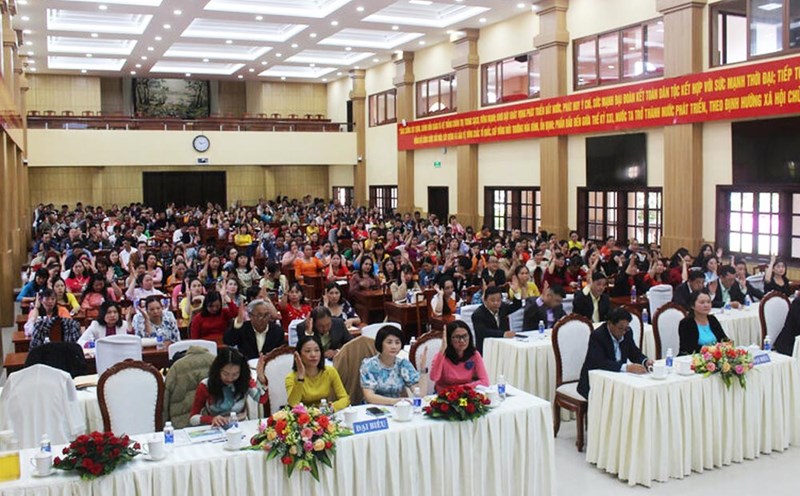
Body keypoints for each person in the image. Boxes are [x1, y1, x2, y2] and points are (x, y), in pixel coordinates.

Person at [576, 308, 652, 399]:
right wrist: (626, 367)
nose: (623, 332)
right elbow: (600, 362)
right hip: (595, 382)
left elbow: (634, 352)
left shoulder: (627, 332)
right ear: (610, 324)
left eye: (626, 328)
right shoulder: (598, 335)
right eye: (620, 328)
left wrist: (645, 361)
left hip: (618, 379)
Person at [189, 348, 267, 426]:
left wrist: (262, 380)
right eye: (225, 374)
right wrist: (211, 419)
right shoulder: (205, 385)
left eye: (235, 374)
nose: (230, 379)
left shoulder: (244, 381)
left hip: (241, 425)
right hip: (215, 427)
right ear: (218, 370)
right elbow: (193, 418)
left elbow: (262, 399)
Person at [360, 325, 426, 405]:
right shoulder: (369, 365)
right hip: (374, 408)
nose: (394, 346)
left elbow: (420, 394)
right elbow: (369, 397)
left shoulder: (403, 364)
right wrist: (395, 401)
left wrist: (423, 370)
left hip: (398, 407)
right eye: (389, 342)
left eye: (397, 342)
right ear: (380, 343)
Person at [285, 334, 350, 411]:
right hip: (304, 417)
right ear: (299, 355)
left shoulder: (330, 371)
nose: (313, 355)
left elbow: (345, 398)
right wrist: (300, 377)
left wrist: (332, 408)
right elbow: (293, 404)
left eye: (317, 350)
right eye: (308, 351)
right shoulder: (291, 377)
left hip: (326, 414)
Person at [430, 320, 489, 392]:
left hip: (466, 393)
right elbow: (434, 378)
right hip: (444, 396)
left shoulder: (474, 354)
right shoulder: (442, 356)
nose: (462, 340)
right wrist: (442, 351)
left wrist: (459, 388)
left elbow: (485, 382)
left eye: (465, 336)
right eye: (457, 337)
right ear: (449, 339)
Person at [470, 285, 522, 353]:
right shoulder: (477, 314)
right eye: (492, 300)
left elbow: (517, 306)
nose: (496, 303)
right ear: (485, 300)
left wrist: (516, 292)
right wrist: (503, 334)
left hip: (503, 346)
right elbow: (483, 332)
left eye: (498, 300)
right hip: (486, 348)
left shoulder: (502, 307)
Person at [678, 289, 729, 356]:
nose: (706, 305)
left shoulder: (712, 319)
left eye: (708, 302)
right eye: (702, 302)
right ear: (692, 306)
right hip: (694, 359)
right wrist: (711, 350)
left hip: (715, 357)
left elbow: (724, 339)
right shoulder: (686, 323)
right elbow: (688, 349)